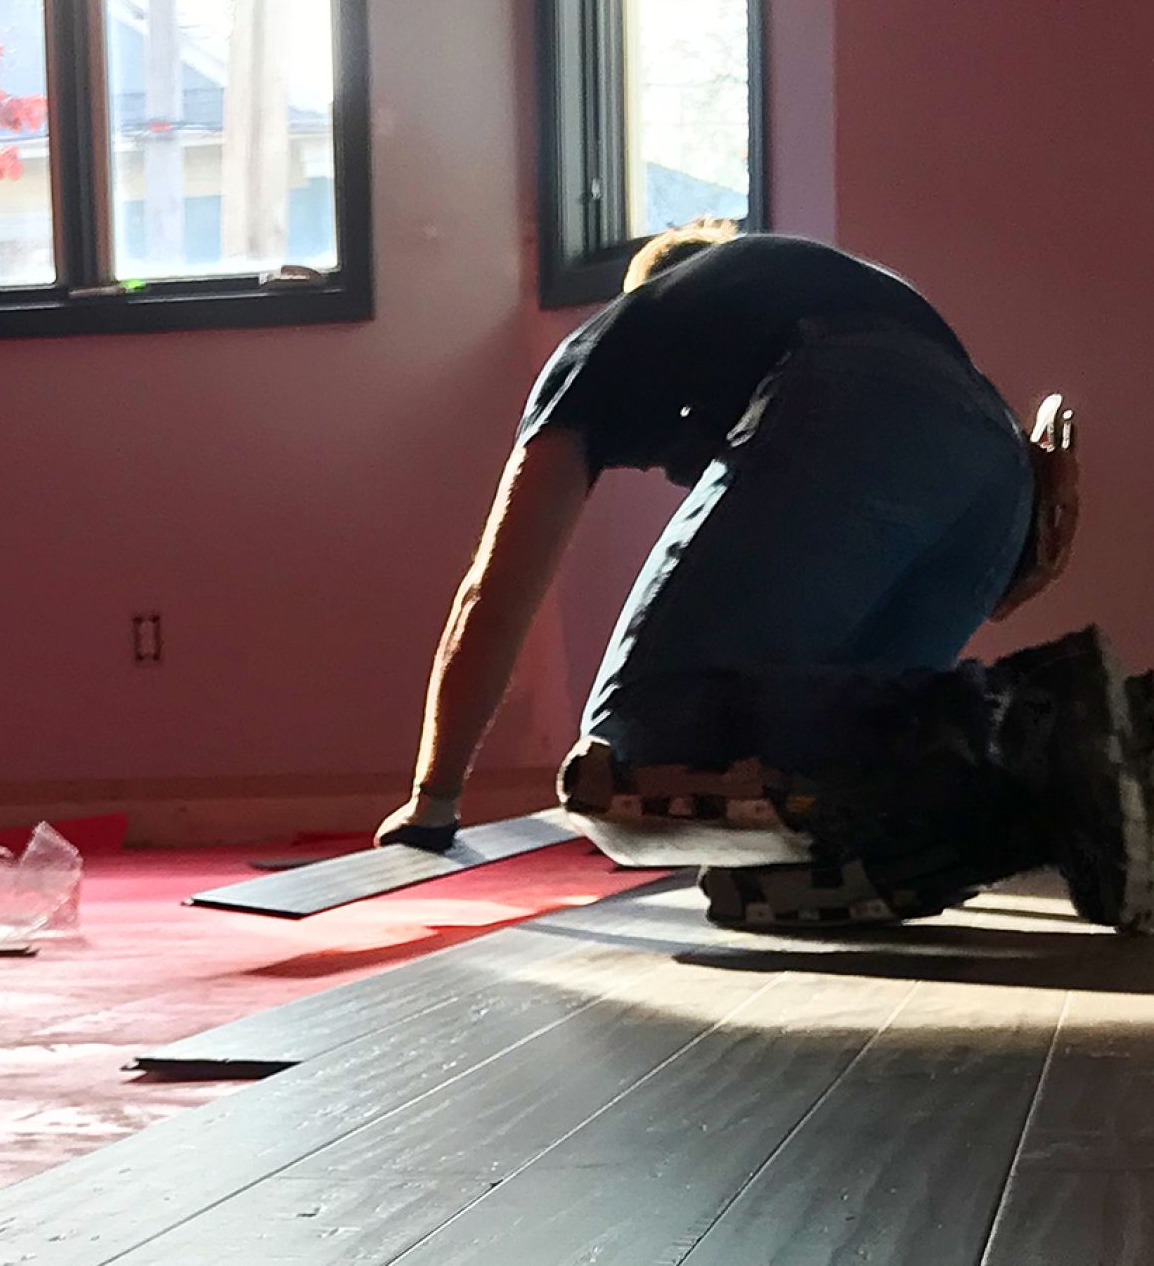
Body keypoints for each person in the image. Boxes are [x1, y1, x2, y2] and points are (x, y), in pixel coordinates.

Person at [375, 221, 1153, 931]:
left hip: (863, 402)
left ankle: (1038, 719)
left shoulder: (611, 341)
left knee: (640, 744)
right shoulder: (798, 289)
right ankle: (1093, 764)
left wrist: (433, 800)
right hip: (999, 474)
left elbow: (494, 588)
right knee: (827, 781)